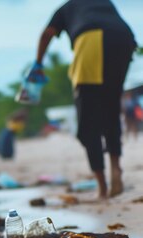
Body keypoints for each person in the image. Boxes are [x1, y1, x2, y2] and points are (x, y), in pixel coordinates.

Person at [34, 0, 137, 199]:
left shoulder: (67, 8)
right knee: (111, 107)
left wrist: (38, 63)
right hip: (124, 41)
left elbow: (47, 34)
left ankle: (102, 187)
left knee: (87, 123)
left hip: (92, 40)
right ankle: (116, 168)